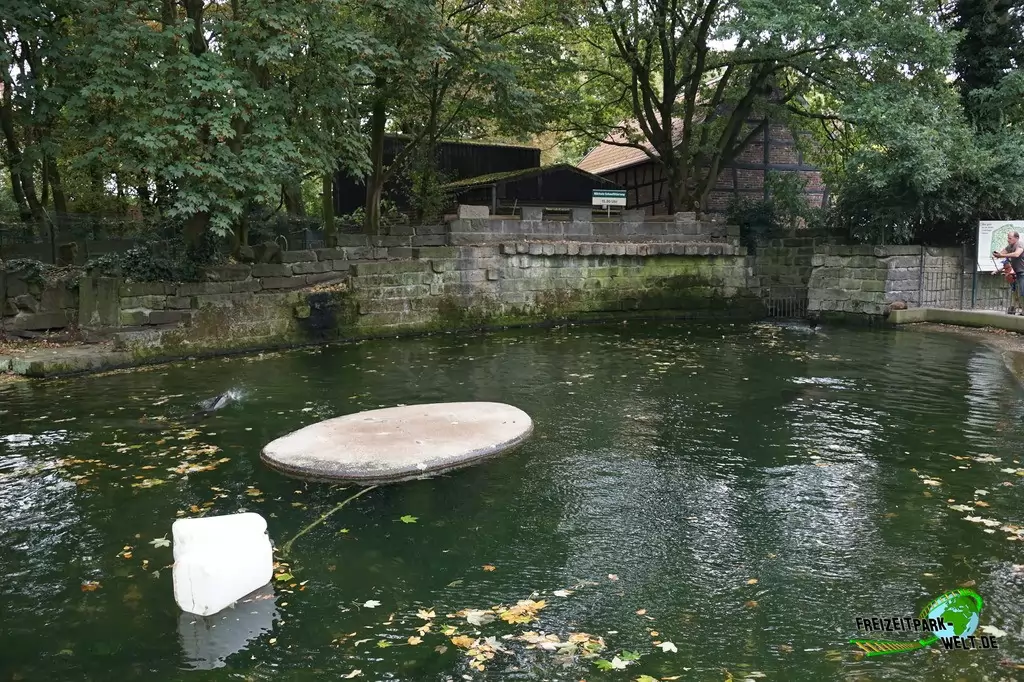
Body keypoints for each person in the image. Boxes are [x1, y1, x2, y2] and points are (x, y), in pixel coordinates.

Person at [993, 232, 1024, 314]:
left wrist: (1001, 256)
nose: (1008, 240)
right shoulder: (1010, 246)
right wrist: (997, 254)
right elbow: (1002, 252)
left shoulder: (1020, 244)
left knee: (1022, 292)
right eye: (1008, 238)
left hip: (1022, 272)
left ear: (1016, 238)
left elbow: (1017, 254)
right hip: (1018, 273)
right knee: (1019, 292)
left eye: (1010, 238)